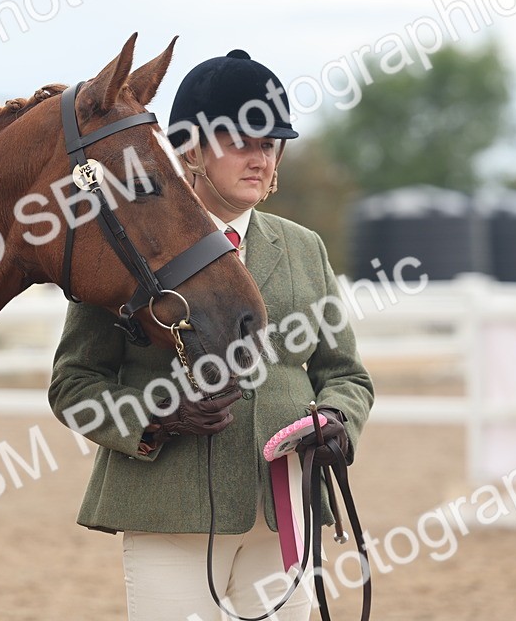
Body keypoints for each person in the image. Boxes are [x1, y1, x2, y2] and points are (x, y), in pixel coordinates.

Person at [48, 49, 375, 621]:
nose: (260, 158)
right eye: (241, 141)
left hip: (283, 512)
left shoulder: (303, 248)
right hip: (168, 511)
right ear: (191, 150)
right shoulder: (132, 243)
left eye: (270, 144)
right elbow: (74, 384)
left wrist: (336, 421)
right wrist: (155, 417)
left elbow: (345, 374)